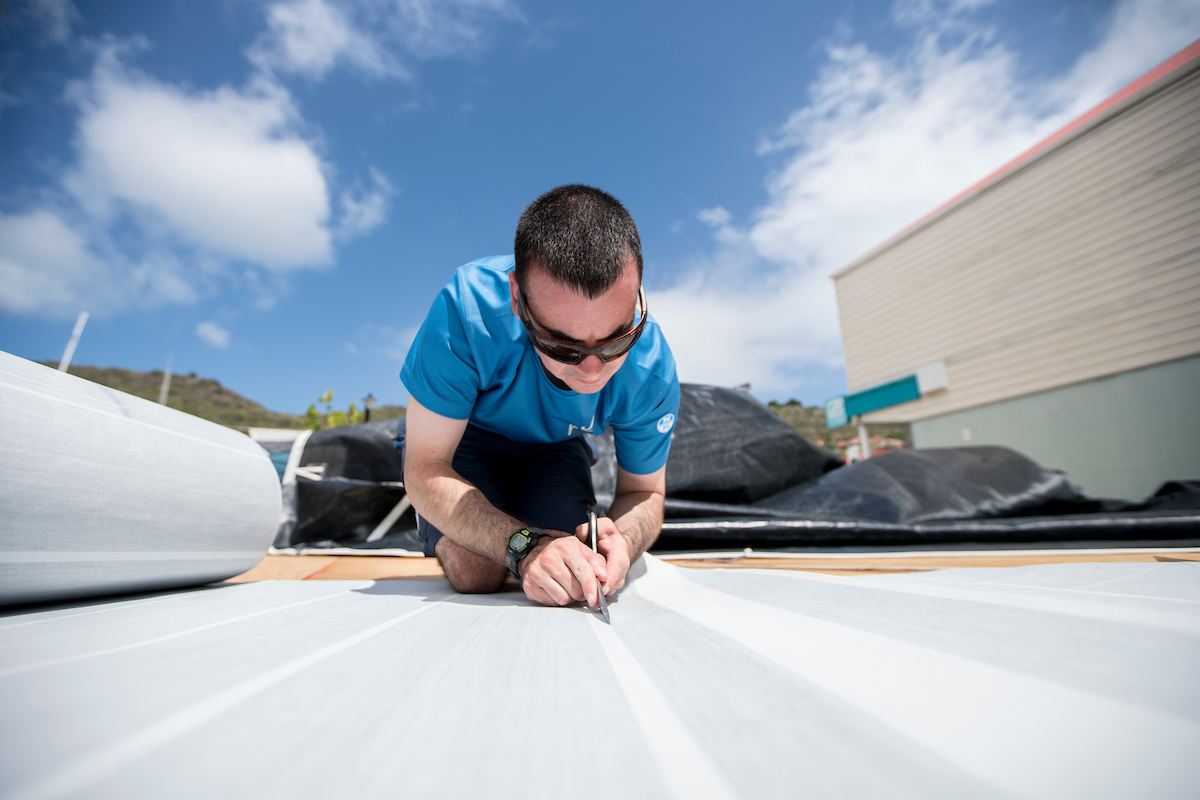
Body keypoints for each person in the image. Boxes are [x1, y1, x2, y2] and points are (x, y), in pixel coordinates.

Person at [400, 184, 680, 609]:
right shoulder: (467, 309)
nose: (592, 371)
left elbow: (645, 493)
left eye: (617, 339)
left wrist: (622, 541)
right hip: (465, 439)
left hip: (554, 448)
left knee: (571, 568)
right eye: (562, 346)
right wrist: (523, 547)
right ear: (517, 299)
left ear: (640, 295)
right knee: (476, 572)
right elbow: (424, 469)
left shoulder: (651, 370)